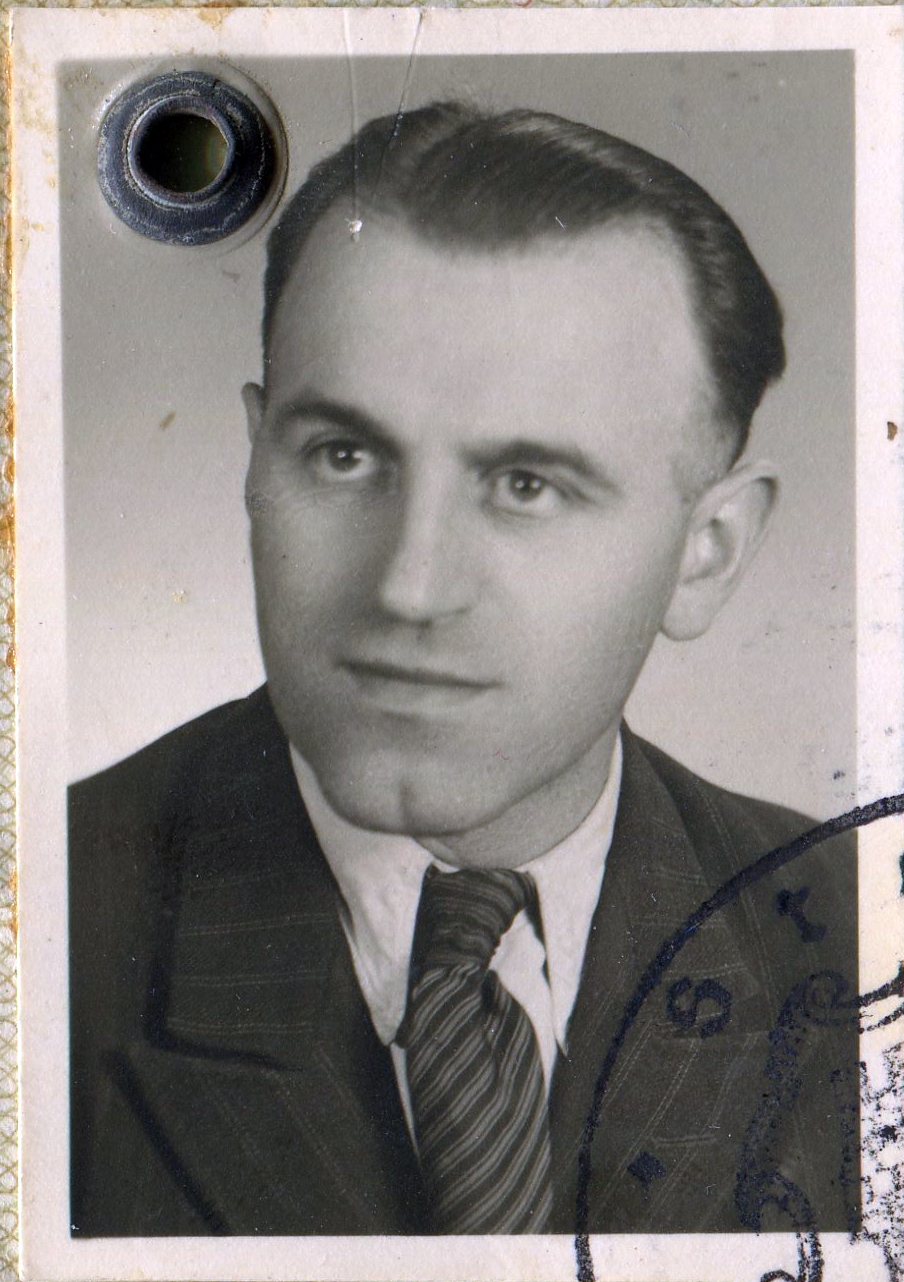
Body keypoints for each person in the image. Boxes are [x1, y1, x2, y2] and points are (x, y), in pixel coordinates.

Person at [69, 101, 858, 1238]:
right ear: (254, 465)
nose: (409, 586)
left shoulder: (855, 940)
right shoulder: (45, 923)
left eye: (526, 484)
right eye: (344, 456)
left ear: (709, 551)